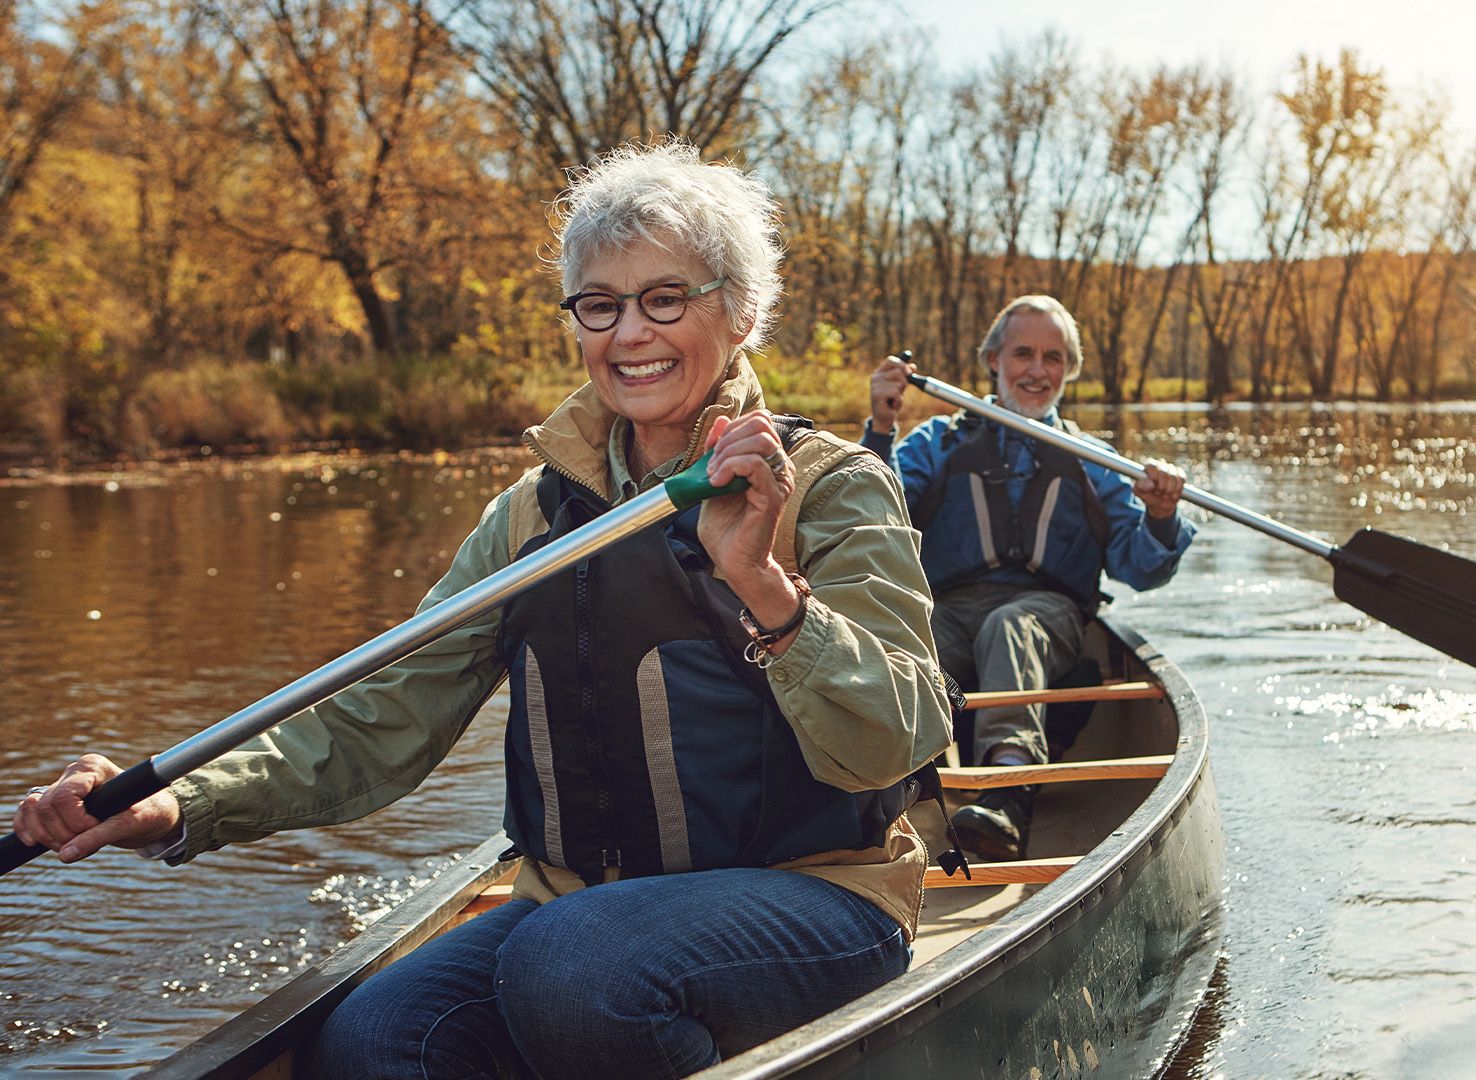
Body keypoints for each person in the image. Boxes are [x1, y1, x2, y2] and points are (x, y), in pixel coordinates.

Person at [12, 142, 953, 1080]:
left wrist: (763, 586)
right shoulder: (530, 517)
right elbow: (383, 714)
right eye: (600, 304)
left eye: (666, 298)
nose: (630, 334)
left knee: (577, 971)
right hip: (573, 909)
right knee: (370, 1046)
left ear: (741, 312)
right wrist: (179, 803)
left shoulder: (833, 487)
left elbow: (898, 738)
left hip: (814, 896)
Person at [862, 294, 1195, 861]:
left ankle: (1007, 794)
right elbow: (872, 521)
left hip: (1049, 615)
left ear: (1069, 370)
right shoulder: (935, 443)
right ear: (993, 360)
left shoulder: (1094, 459)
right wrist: (882, 428)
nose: (1038, 371)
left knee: (1010, 626)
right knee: (905, 637)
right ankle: (885, 795)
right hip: (948, 609)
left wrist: (1162, 516)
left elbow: (1141, 568)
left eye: (1054, 357)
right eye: (1023, 353)